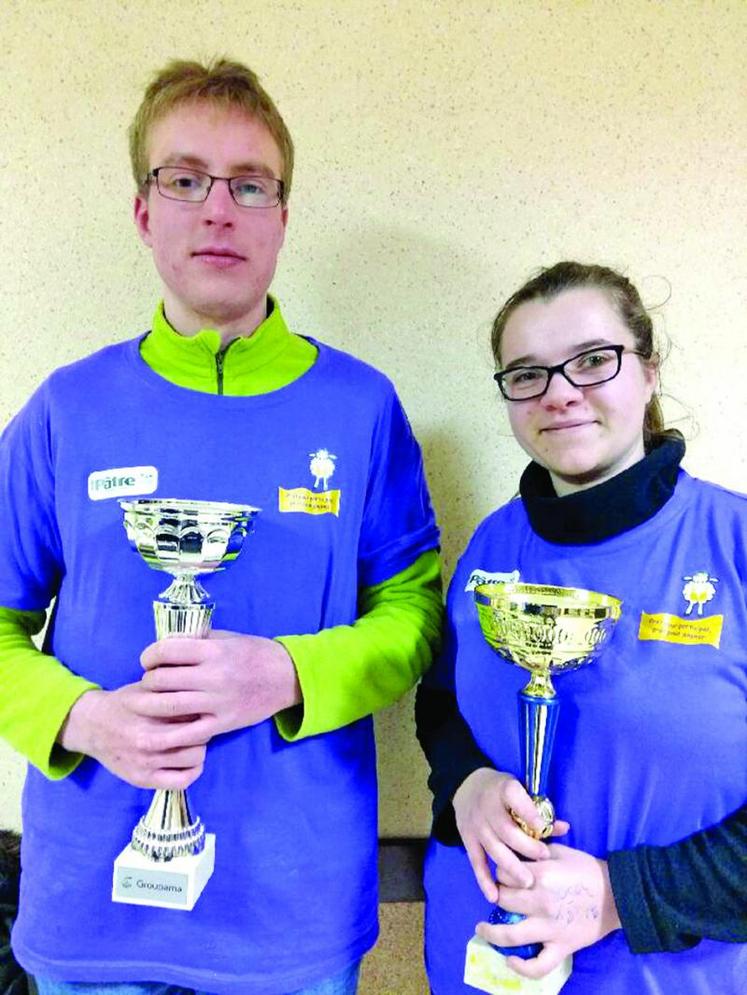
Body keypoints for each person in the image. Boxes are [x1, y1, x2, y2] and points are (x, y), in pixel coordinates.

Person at [0, 58, 442, 995]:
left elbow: (412, 612)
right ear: (143, 211)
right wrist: (82, 717)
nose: (218, 209)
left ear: (283, 215)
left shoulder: (359, 407)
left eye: (251, 184)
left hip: (292, 909)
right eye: (184, 178)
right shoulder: (64, 409)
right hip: (93, 909)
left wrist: (287, 673)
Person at [416, 261, 746, 994]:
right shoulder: (489, 549)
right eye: (526, 373)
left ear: (648, 370)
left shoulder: (735, 543)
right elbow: (441, 704)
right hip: (477, 966)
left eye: (593, 360)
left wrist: (618, 894)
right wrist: (463, 782)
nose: (560, 392)